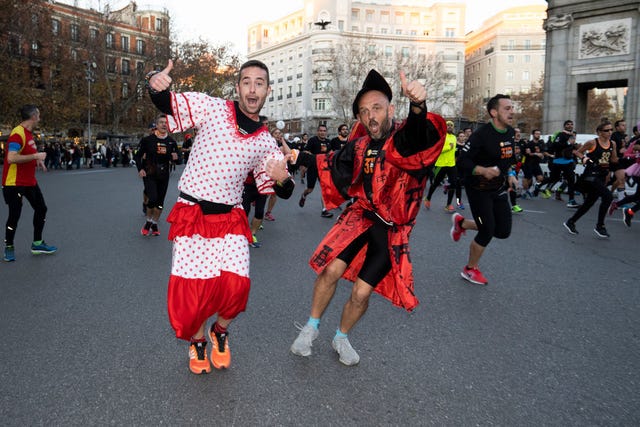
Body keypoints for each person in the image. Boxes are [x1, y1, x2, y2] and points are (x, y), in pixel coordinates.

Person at [147, 59, 294, 375]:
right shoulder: (212, 108)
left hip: (230, 219)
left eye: (259, 82)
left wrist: (282, 177)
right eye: (246, 81)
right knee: (196, 290)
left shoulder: (266, 142)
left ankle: (220, 331)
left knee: (236, 289)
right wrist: (155, 84)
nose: (252, 88)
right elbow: (169, 103)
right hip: (194, 214)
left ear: (268, 90)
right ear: (237, 87)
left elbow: (283, 188)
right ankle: (198, 340)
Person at [290, 69, 446, 366]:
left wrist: (419, 106)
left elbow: (418, 135)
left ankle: (341, 337)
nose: (370, 116)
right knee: (330, 270)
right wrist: (300, 157)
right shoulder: (360, 145)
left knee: (361, 293)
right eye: (363, 112)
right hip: (360, 216)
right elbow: (335, 163)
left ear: (391, 108)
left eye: (376, 108)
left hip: (391, 230)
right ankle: (311, 328)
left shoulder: (405, 140)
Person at [450, 94, 517, 285]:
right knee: (487, 230)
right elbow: (462, 161)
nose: (511, 111)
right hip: (478, 189)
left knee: (503, 231)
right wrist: (481, 170)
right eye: (507, 108)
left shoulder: (511, 133)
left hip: (499, 187)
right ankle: (470, 269)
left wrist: (511, 174)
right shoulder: (481, 135)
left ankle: (462, 224)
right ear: (494, 112)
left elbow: (508, 159)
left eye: (512, 108)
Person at [2, 105, 57, 262]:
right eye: (38, 115)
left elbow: (27, 154)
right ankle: (9, 246)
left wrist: (38, 161)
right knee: (15, 216)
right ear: (33, 117)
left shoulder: (29, 135)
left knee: (41, 208)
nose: (40, 118)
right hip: (14, 183)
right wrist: (35, 156)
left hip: (29, 182)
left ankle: (37, 243)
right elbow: (11, 158)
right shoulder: (17, 134)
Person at [563, 121, 619, 238]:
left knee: (589, 202)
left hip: (602, 175)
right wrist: (584, 158)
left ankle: (571, 221)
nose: (609, 132)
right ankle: (600, 226)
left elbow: (613, 160)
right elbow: (577, 152)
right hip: (591, 174)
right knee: (608, 196)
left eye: (611, 130)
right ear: (599, 132)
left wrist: (625, 155)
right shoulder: (592, 142)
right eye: (606, 130)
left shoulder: (612, 143)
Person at [134, 114, 178, 237]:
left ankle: (154, 223)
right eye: (161, 122)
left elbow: (178, 159)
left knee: (159, 203)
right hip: (150, 173)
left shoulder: (171, 142)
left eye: (166, 123)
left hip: (164, 174)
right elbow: (137, 156)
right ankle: (148, 222)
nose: (164, 124)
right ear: (157, 125)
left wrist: (176, 158)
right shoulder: (148, 140)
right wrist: (140, 169)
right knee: (152, 198)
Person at [299, 124, 334, 218]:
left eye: (324, 131)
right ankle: (304, 195)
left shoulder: (328, 142)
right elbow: (306, 152)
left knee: (324, 189)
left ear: (326, 132)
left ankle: (324, 210)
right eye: (321, 131)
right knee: (310, 189)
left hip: (324, 169)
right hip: (313, 168)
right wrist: (315, 157)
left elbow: (330, 154)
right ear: (317, 132)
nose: (322, 132)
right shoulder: (312, 140)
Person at [423, 120, 458, 212]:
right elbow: (437, 149)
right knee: (435, 183)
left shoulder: (454, 137)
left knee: (454, 183)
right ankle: (428, 198)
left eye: (451, 125)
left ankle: (448, 204)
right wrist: (448, 148)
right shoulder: (440, 136)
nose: (449, 126)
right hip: (440, 164)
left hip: (451, 164)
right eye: (448, 125)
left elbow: (454, 151)